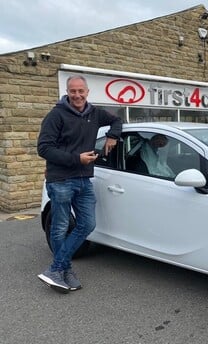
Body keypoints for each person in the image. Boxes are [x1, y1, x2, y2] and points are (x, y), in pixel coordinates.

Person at [37, 75, 122, 293]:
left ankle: (55, 269)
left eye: (80, 91)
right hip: (61, 180)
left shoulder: (94, 113)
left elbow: (117, 120)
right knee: (60, 228)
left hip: (84, 179)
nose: (77, 95)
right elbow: (44, 148)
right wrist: (77, 159)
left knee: (87, 224)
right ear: (67, 92)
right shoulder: (56, 115)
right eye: (73, 91)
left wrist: (113, 136)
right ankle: (64, 270)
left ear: (87, 92)